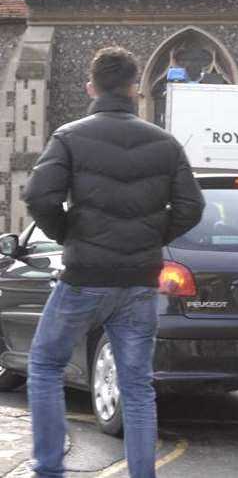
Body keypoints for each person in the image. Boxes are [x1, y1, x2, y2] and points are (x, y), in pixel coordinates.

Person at [23, 47, 205, 478]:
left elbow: (37, 196)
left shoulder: (70, 136)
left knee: (46, 365)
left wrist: (68, 234)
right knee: (137, 385)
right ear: (134, 89)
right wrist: (151, 238)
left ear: (91, 87)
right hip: (139, 280)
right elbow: (191, 206)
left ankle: (49, 468)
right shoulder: (165, 143)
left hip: (85, 276)